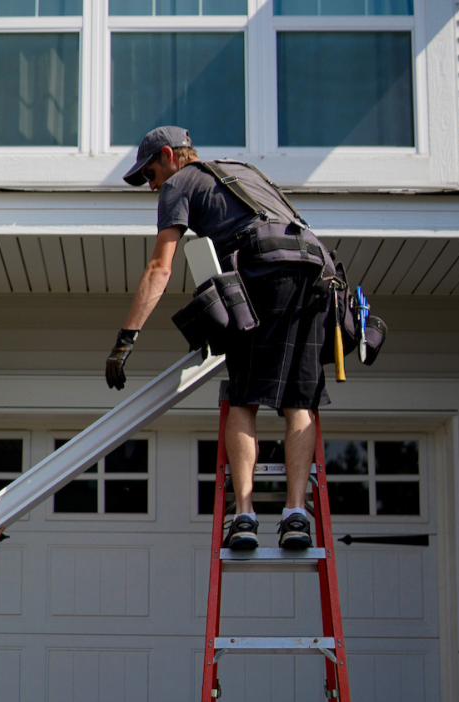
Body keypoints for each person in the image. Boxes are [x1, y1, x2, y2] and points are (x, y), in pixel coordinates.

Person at [106, 126, 332, 551]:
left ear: (170, 156)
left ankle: (244, 514)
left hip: (265, 271)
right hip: (317, 272)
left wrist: (125, 340)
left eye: (150, 173)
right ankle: (296, 514)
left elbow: (160, 267)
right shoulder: (242, 171)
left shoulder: (179, 182)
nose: (152, 185)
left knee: (244, 396)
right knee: (299, 402)